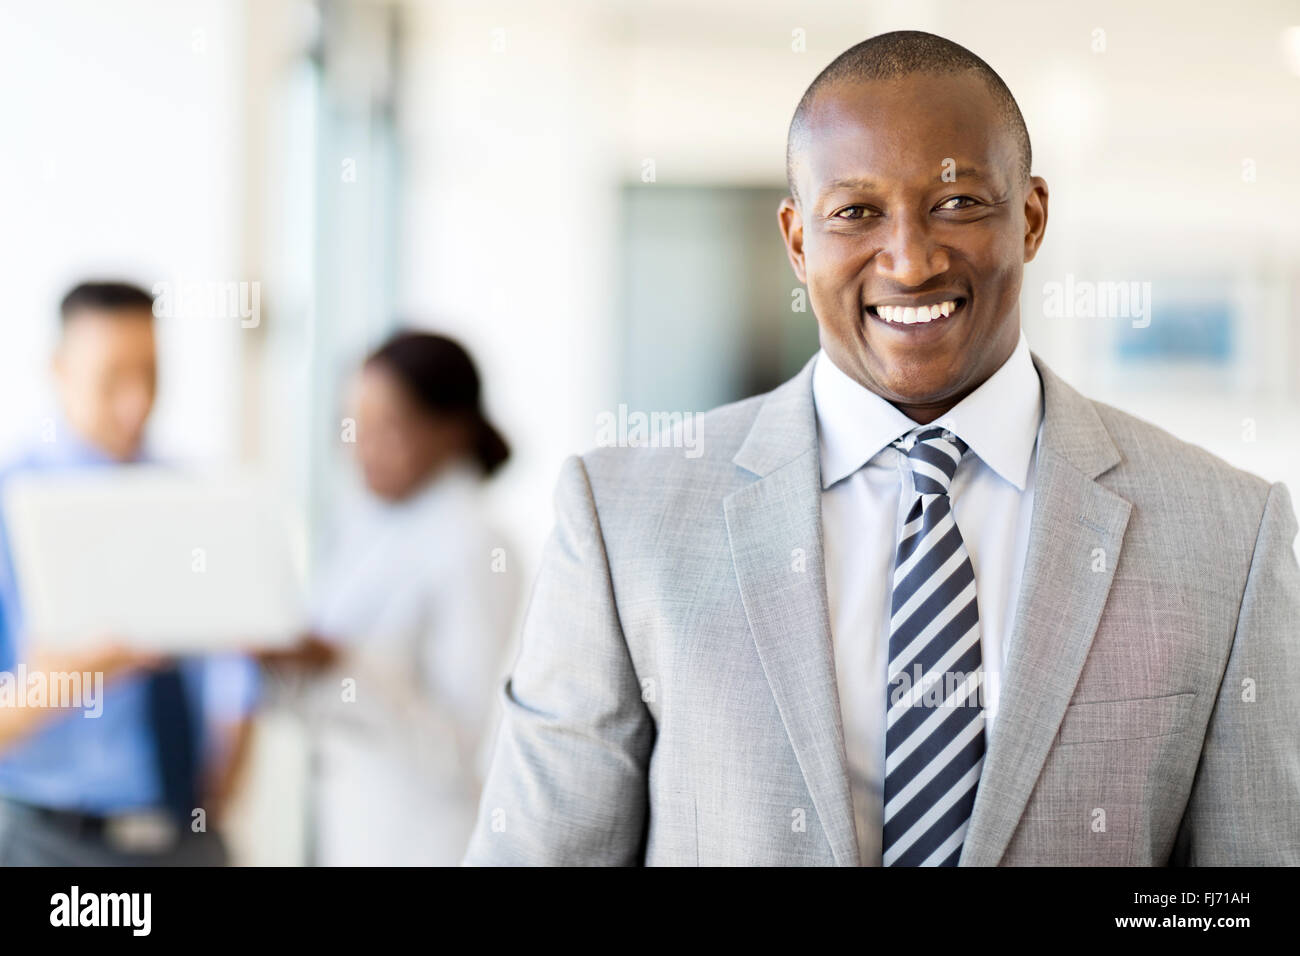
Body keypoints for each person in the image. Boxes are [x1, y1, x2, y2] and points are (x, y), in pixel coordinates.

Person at [463, 31, 1300, 866]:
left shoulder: (1233, 535)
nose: (910, 259)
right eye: (856, 213)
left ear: (1032, 216)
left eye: (957, 203)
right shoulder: (622, 518)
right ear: (797, 241)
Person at [0, 281, 258, 865]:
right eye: (113, 378)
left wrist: (225, 778)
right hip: (52, 846)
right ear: (59, 369)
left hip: (187, 836)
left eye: (152, 375)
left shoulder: (192, 497)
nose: (136, 402)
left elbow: (238, 673)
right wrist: (72, 678)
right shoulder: (12, 504)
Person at [265, 330, 519, 865]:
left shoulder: (475, 544)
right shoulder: (365, 521)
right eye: (352, 426)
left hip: (425, 840)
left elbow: (459, 749)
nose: (361, 448)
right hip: (351, 829)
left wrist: (340, 665)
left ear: (450, 431)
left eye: (388, 428)